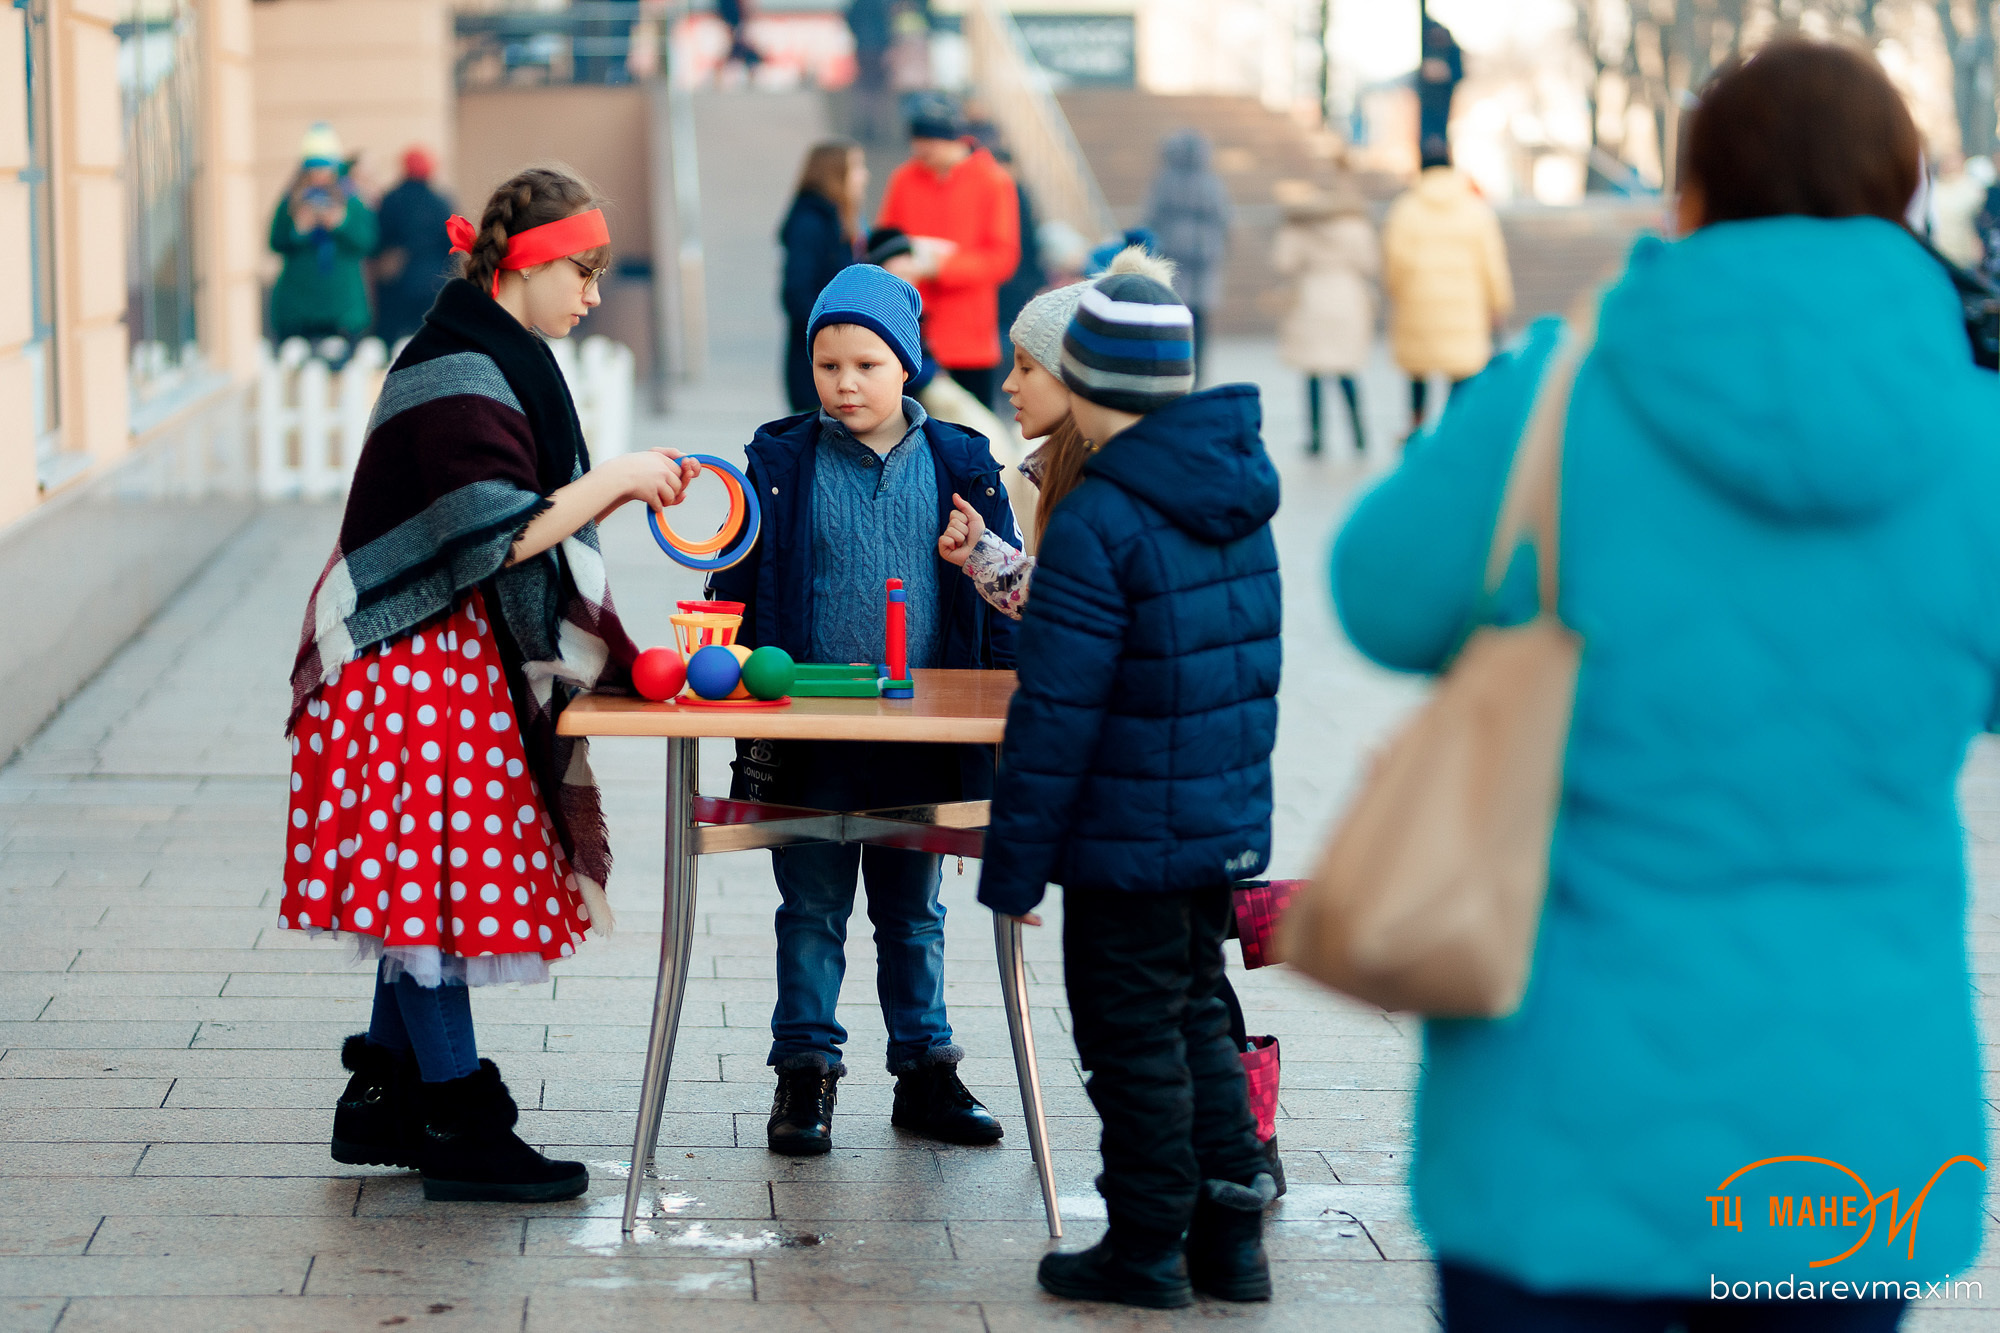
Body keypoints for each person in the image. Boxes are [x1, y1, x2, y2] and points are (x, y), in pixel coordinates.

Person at [1332, 40, 1995, 1331]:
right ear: (1910, 195)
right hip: (1846, 1136)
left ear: (1686, 199)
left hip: (1560, 1117)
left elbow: (1377, 592)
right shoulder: (1976, 441)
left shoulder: (1560, 393)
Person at [281, 165, 702, 1204]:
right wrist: (613, 478)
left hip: (431, 657)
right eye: (583, 271)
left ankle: (387, 1098)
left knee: (417, 887)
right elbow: (497, 533)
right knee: (427, 893)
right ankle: (462, 1123)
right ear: (524, 263)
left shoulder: (487, 354)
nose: (593, 294)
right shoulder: (457, 367)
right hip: (405, 660)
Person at [936, 249, 1293, 1197]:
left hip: (1128, 827)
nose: (1010, 383)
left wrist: (1012, 866)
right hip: (1212, 816)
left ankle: (1148, 1245)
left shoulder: (1103, 513)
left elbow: (1059, 703)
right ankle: (1230, 1220)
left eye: (1032, 365)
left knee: (1125, 1033)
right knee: (1189, 1016)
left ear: (1087, 378)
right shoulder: (1227, 495)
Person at [706, 263, 1022, 1157]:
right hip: (810, 736)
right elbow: (732, 585)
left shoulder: (960, 461)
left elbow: (1000, 599)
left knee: (912, 914)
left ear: (909, 365)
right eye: (828, 365)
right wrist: (718, 649)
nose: (844, 383)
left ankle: (925, 1069)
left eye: (867, 365)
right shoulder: (778, 462)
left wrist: (996, 727)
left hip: (921, 740)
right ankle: (804, 1073)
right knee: (809, 911)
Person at [874, 97, 1022, 409]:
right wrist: (894, 260)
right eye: (916, 145)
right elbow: (883, 238)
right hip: (909, 331)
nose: (920, 154)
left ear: (953, 140)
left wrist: (939, 268)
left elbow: (1002, 259)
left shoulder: (992, 181)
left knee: (969, 438)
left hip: (968, 339)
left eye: (928, 145)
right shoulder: (904, 178)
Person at [1381, 147, 1512, 438]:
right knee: (1462, 371)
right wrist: (1497, 303)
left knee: (1418, 370)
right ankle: (1456, 431)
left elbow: (1394, 261)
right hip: (1464, 307)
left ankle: (1417, 425)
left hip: (1418, 304)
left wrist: (1397, 292)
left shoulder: (1405, 208)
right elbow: (1492, 262)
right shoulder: (1474, 209)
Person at [1273, 183, 1378, 456]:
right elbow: (1369, 263)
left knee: (1314, 372)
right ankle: (1358, 433)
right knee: (1347, 369)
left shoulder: (1299, 226)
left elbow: (1283, 263)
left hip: (1312, 297)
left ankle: (1316, 437)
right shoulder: (1356, 226)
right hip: (1348, 298)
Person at [269, 123, 378, 345]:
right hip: (298, 309)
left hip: (342, 310)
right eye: (314, 168)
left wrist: (341, 222)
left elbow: (368, 242)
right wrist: (298, 230)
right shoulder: (291, 201)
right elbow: (275, 241)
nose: (319, 175)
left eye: (324, 168)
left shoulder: (351, 201)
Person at [780, 141, 866, 411]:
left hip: (836, 358)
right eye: (856, 167)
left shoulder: (837, 219)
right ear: (835, 173)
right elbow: (796, 293)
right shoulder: (812, 222)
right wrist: (834, 330)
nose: (864, 175)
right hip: (816, 363)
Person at [1143, 130, 1232, 384]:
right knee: (1199, 326)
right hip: (1204, 263)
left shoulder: (1164, 181)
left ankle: (1175, 373)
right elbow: (1225, 218)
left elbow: (1151, 217)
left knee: (1172, 324)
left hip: (1172, 262)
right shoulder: (1211, 181)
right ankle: (1198, 376)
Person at [372, 147, 456, 345]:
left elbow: (378, 239)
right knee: (431, 338)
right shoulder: (440, 202)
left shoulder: (391, 199)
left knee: (394, 342)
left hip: (397, 279)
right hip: (433, 280)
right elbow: (452, 245)